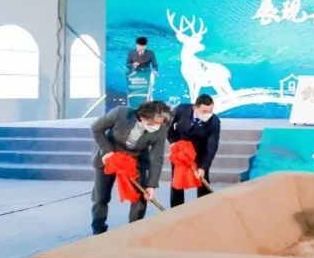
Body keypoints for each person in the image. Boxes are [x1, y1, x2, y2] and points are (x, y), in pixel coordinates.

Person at [90, 100, 170, 235]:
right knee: (100, 197)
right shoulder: (120, 113)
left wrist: (151, 185)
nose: (157, 126)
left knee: (140, 197)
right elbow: (96, 128)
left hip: (135, 159)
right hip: (110, 156)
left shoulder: (160, 129)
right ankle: (98, 230)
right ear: (143, 117)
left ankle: (134, 231)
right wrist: (107, 151)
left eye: (160, 123)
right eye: (155, 123)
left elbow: (157, 157)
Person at [167, 94, 220, 207]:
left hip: (200, 153)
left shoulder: (214, 121)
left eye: (210, 111)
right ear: (195, 107)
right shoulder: (182, 110)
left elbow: (212, 145)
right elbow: (167, 124)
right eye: (204, 111)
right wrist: (173, 141)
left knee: (202, 180)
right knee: (177, 180)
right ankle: (176, 210)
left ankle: (204, 208)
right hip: (180, 152)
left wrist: (203, 167)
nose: (208, 114)